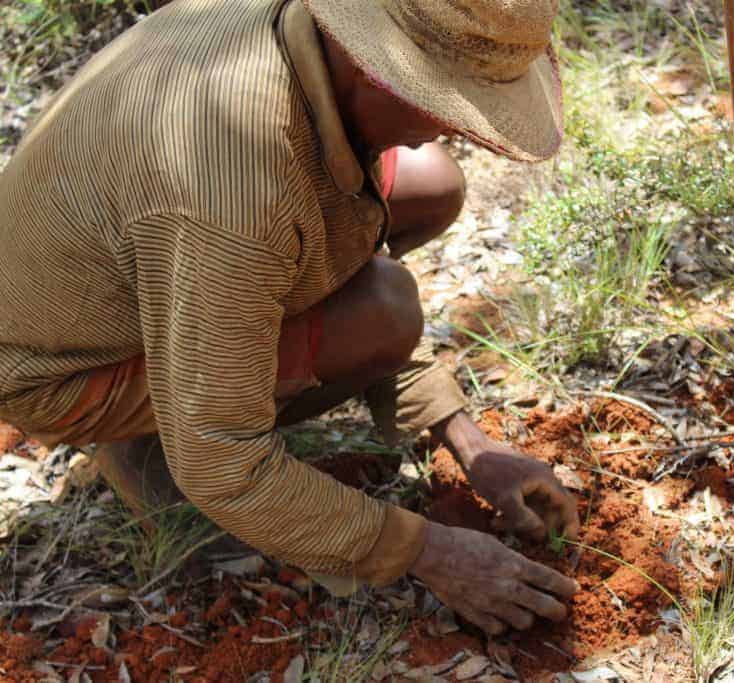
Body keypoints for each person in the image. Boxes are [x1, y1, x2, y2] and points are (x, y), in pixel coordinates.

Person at [0, 0, 580, 635]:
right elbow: (222, 460)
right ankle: (144, 444)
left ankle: (187, 379)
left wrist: (469, 443)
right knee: (383, 313)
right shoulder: (231, 189)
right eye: (442, 102)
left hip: (132, 269)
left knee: (430, 181)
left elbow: (338, 223)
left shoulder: (294, 31)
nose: (448, 129)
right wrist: (427, 550)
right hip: (58, 369)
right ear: (371, 65)